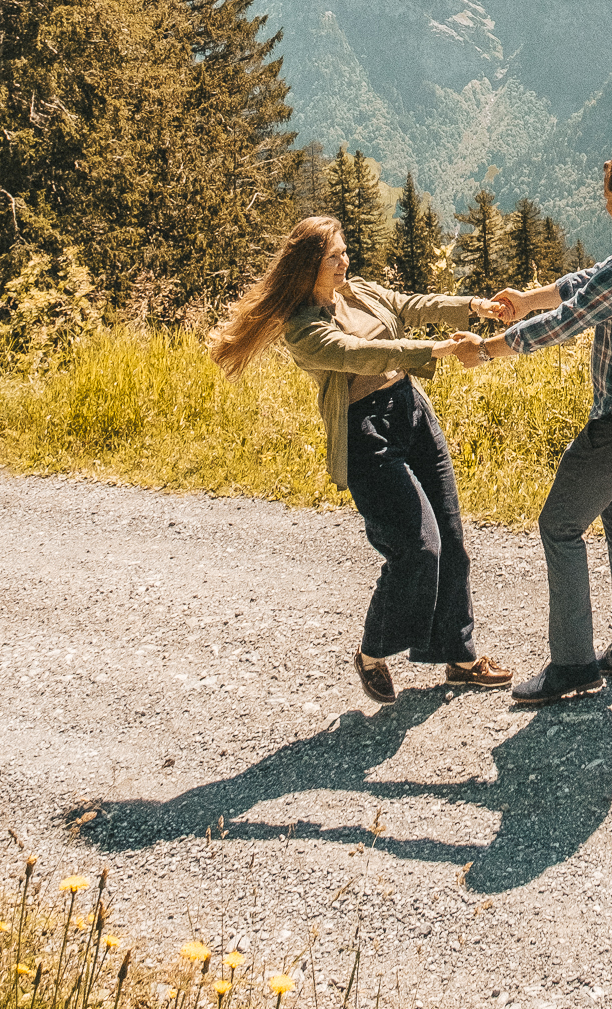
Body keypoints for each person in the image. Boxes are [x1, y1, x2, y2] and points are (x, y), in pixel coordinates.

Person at [208, 215, 512, 704]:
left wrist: (474, 306)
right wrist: (438, 350)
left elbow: (410, 305)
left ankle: (460, 657)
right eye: (334, 256)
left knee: (451, 540)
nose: (344, 261)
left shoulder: (360, 291)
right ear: (309, 264)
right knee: (418, 549)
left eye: (345, 251)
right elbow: (358, 353)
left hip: (412, 413)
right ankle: (372, 652)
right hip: (366, 433)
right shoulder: (302, 327)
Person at [447, 149, 612, 705]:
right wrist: (525, 299)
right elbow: (592, 280)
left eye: (610, 199)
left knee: (560, 527)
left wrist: (485, 351)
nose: (605, 206)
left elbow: (566, 323)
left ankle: (573, 667)